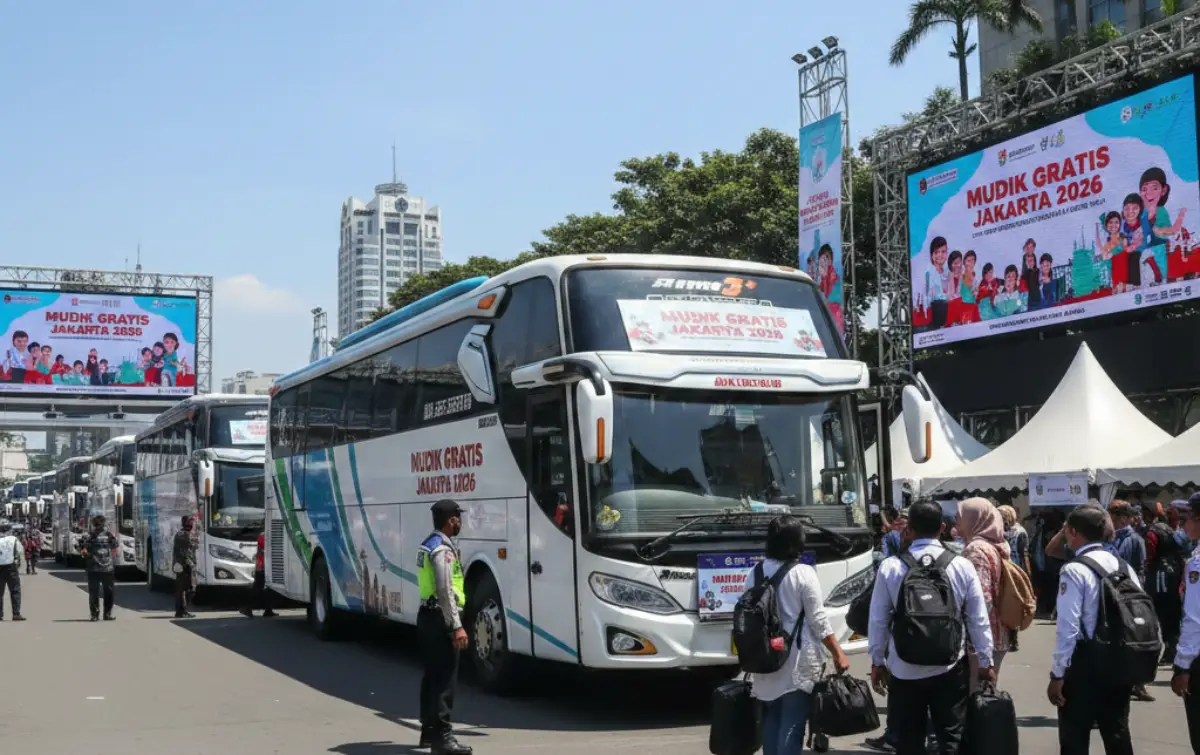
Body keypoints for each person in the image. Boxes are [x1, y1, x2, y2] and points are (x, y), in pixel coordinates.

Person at [868, 500, 994, 755]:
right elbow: (978, 618)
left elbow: (878, 619)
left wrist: (877, 660)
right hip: (949, 665)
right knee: (950, 738)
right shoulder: (961, 565)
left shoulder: (891, 567)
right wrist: (985, 660)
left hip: (904, 668)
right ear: (943, 528)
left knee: (908, 741)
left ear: (909, 530)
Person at [749, 515, 851, 755]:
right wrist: (838, 652)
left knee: (773, 719)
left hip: (765, 660)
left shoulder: (755, 572)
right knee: (792, 726)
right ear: (797, 542)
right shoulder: (803, 573)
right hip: (796, 660)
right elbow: (818, 620)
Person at [1048, 504, 1140, 755]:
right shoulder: (1123, 566)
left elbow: (1068, 627)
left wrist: (1058, 674)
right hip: (1120, 660)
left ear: (1073, 531)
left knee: (1075, 736)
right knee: (1117, 732)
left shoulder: (1074, 569)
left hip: (1084, 665)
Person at [417, 499, 472, 755]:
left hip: (427, 616)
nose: (460, 522)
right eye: (458, 517)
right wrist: (456, 626)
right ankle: (443, 739)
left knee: (432, 675)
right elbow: (444, 589)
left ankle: (428, 731)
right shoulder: (442, 549)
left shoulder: (427, 544)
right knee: (444, 679)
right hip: (441, 617)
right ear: (451, 520)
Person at [957, 498, 1014, 690]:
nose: (956, 522)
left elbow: (981, 600)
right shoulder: (996, 544)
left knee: (977, 694)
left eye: (960, 517)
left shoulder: (976, 549)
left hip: (982, 636)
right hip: (997, 631)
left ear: (974, 519)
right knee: (985, 692)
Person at [1171, 494, 1200, 754]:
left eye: (1187, 518)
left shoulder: (1197, 563)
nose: (1183, 525)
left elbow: (1194, 619)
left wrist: (1182, 665)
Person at [1142, 500, 1186, 665]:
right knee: (1173, 614)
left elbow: (1150, 555)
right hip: (1174, 574)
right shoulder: (1168, 529)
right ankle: (1172, 648)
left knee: (1163, 614)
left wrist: (1145, 571)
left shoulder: (1151, 532)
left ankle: (1171, 649)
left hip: (1160, 577)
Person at [81, 514, 118, 621]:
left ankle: (107, 614)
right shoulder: (89, 536)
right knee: (94, 592)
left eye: (99, 524)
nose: (98, 527)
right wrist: (86, 553)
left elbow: (115, 545)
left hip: (107, 568)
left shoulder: (108, 535)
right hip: (94, 568)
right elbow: (82, 549)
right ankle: (95, 614)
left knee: (108, 592)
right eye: (96, 524)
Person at [239, 532, 276, 619]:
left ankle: (268, 610)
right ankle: (247, 608)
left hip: (266, 565)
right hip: (262, 565)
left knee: (268, 588)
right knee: (258, 587)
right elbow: (264, 550)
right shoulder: (263, 536)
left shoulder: (266, 535)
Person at [173, 516, 197, 619]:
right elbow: (186, 553)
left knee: (182, 589)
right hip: (184, 566)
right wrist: (191, 564)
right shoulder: (184, 536)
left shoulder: (180, 534)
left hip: (181, 565)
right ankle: (182, 610)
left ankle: (180, 611)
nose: (192, 525)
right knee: (187, 589)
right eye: (191, 523)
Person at [0, 522, 24, 621]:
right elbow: (20, 552)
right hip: (11, 567)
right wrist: (17, 565)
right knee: (15, 591)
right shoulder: (13, 539)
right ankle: (16, 614)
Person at [998, 505, 1028, 573]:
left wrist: (1027, 575)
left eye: (1003, 517)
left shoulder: (1019, 532)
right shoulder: (999, 530)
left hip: (1016, 569)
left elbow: (1024, 556)